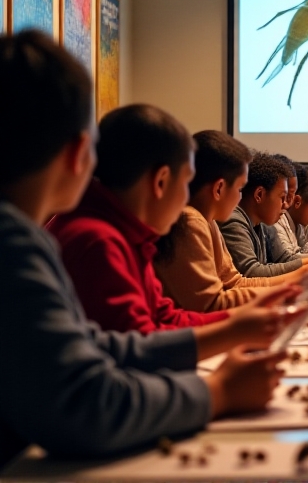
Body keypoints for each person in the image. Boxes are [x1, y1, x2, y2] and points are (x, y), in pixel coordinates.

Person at [0, 31, 288, 468]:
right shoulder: (70, 239)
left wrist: (235, 328)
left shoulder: (67, 234)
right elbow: (88, 402)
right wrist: (220, 392)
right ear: (81, 153)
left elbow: (102, 345)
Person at [47, 106, 230, 333]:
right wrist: (236, 329)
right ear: (161, 181)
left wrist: (240, 320)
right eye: (186, 183)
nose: (186, 199)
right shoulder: (97, 241)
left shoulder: (126, 233)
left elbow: (164, 317)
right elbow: (141, 344)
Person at [154, 131, 307, 312]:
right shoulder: (190, 221)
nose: (240, 198)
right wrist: (290, 286)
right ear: (219, 188)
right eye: (240, 188)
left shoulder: (208, 220)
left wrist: (298, 279)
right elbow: (211, 304)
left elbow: (235, 282)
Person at [220, 152, 308, 277]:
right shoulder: (233, 221)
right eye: (282, 197)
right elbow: (252, 272)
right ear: (259, 195)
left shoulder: (263, 223)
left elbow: (284, 259)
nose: (286, 205)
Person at [272, 178, 308, 260]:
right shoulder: (278, 220)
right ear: (297, 201)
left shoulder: (302, 223)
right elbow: (287, 259)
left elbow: (307, 247)